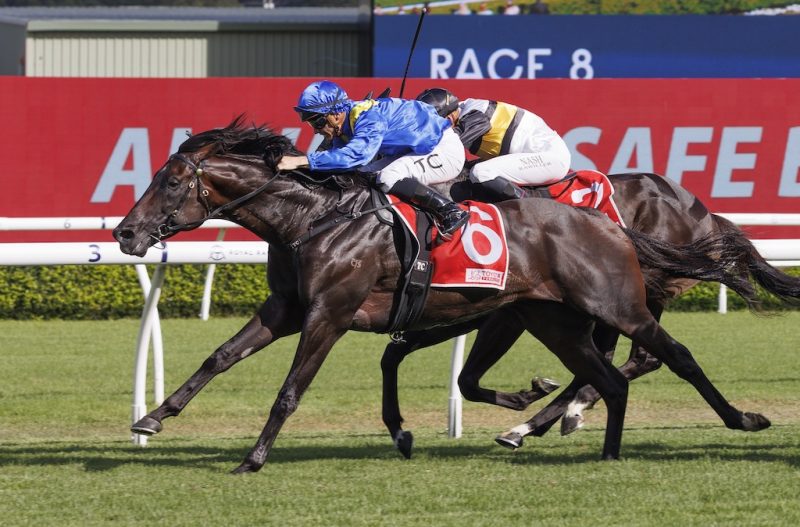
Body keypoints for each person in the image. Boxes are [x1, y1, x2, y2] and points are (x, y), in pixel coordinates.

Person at [277, 80, 469, 237]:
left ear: (335, 114)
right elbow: (341, 165)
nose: (315, 130)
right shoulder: (345, 125)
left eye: (317, 122)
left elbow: (357, 156)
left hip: (444, 149)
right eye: (311, 124)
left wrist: (301, 160)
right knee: (361, 176)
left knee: (388, 177)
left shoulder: (369, 117)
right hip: (418, 150)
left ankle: (450, 210)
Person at [416, 87, 571, 201]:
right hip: (529, 156)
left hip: (549, 158)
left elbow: (450, 142)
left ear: (449, 117)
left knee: (481, 173)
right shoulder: (461, 112)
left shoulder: (475, 112)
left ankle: (531, 206)